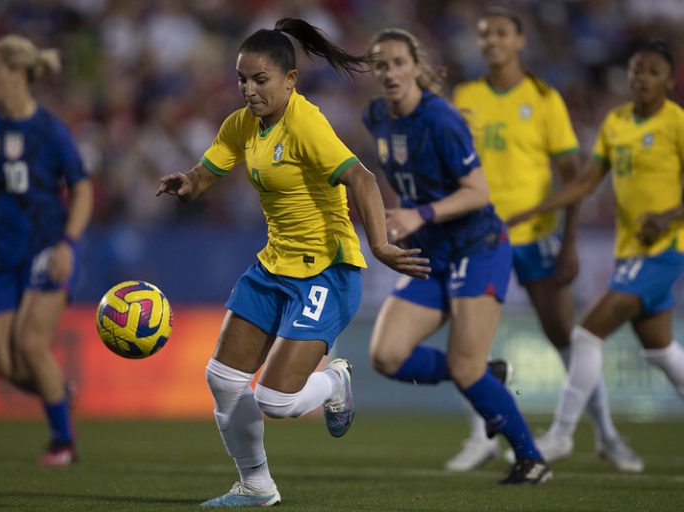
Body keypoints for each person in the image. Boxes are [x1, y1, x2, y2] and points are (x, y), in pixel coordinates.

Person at [156, 18, 430, 507]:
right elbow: (207, 172)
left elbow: (362, 179)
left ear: (290, 80)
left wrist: (382, 245)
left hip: (327, 269)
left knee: (275, 401)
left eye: (260, 80)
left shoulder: (305, 123)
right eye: (242, 79)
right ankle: (256, 486)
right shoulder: (241, 124)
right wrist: (188, 184)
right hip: (274, 266)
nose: (249, 89)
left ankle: (335, 381)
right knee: (222, 379)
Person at [450, 7, 643, 472]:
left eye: (500, 33)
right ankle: (481, 438)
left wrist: (570, 241)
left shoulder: (543, 98)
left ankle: (606, 434)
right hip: (479, 236)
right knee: (471, 342)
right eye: (484, 34)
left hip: (536, 237)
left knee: (564, 334)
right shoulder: (465, 96)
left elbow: (572, 175)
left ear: (519, 41)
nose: (491, 41)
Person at [362, 28, 550, 485]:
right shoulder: (376, 117)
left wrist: (418, 213)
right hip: (431, 251)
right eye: (381, 65)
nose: (390, 72)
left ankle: (530, 458)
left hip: (477, 245)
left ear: (417, 67)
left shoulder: (442, 119)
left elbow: (478, 192)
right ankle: (487, 376)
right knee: (387, 357)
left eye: (399, 63)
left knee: (465, 367)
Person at [508, 40, 684, 465]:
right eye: (636, 69)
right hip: (629, 251)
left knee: (586, 334)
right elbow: (586, 183)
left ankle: (561, 435)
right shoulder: (616, 122)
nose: (642, 77)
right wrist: (537, 208)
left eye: (653, 70)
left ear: (670, 80)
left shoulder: (677, 122)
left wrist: (665, 217)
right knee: (661, 350)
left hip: (663, 249)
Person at [0, 35, 92, 466]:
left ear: (17, 73)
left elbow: (82, 189)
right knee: (6, 366)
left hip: (47, 248)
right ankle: (58, 394)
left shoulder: (50, 130)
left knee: (31, 343)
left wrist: (69, 242)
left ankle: (62, 443)